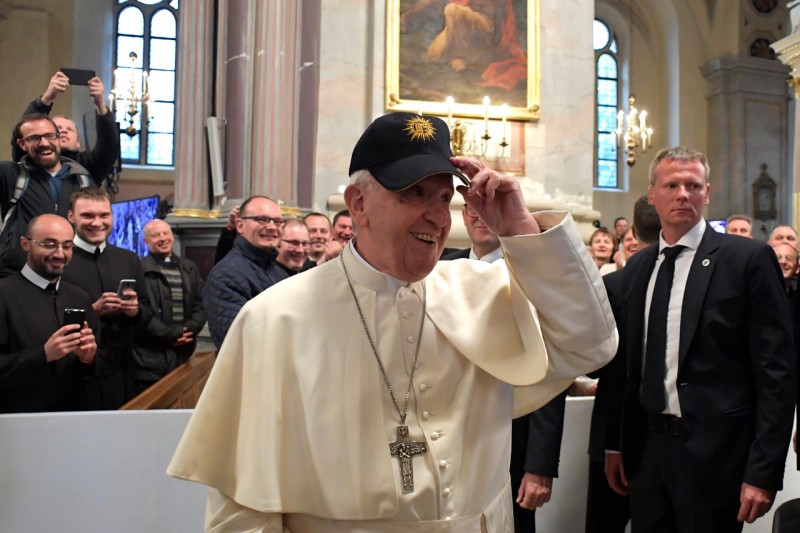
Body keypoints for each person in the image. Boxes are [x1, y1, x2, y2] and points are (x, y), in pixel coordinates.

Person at [168, 112, 617, 531]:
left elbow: (592, 344)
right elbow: (242, 509)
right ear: (358, 203)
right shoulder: (273, 319)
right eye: (414, 193)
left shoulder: (480, 290)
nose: (437, 216)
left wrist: (521, 230)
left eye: (444, 197)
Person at [604, 146, 795, 532]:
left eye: (693, 185)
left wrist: (764, 469)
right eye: (671, 185)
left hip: (716, 457)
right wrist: (615, 443)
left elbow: (776, 370)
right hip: (647, 452)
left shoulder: (747, 260)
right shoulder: (638, 268)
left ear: (706, 193)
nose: (683, 194)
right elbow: (624, 366)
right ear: (652, 194)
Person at [442, 203, 567, 532]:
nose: (481, 216)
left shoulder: (533, 276)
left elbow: (550, 372)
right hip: (448, 437)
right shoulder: (440, 269)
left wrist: (539, 464)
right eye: (473, 209)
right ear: (464, 214)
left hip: (512, 437)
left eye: (488, 207)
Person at [586, 195, 659, 533]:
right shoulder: (615, 284)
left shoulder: (613, 284)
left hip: (614, 431)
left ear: (634, 233)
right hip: (658, 436)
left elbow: (595, 363)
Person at [0, 214, 102, 412]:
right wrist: (43, 355)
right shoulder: (3, 294)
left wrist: (88, 358)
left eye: (67, 246)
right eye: (49, 244)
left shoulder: (80, 297)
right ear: (25, 244)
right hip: (18, 419)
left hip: (75, 416)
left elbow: (101, 362)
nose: (59, 254)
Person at [61, 188, 151, 408]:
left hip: (123, 372)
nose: (97, 222)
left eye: (104, 215)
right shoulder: (60, 259)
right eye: (88, 215)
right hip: (74, 374)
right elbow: (44, 317)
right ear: (71, 216)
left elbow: (148, 311)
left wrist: (135, 311)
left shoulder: (128, 259)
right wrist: (93, 312)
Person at [0, 114, 95, 278]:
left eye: (50, 136)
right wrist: (42, 102)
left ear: (58, 138)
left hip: (68, 275)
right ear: (22, 144)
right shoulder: (11, 174)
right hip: (16, 274)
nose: (44, 143)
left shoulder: (82, 179)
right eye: (34, 138)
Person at [129, 219, 206, 396]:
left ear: (172, 236)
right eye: (156, 235)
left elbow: (199, 304)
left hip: (184, 353)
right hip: (149, 359)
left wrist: (188, 330)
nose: (162, 238)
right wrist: (171, 334)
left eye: (165, 233)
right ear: (146, 242)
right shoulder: (139, 270)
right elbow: (140, 311)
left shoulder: (189, 267)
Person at [203, 196, 289, 349]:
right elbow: (240, 341)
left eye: (277, 221)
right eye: (262, 220)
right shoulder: (225, 276)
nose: (271, 227)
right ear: (240, 226)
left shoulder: (279, 272)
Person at [11, 71, 120, 186]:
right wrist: (47, 98)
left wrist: (100, 104)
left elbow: (109, 146)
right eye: (57, 129)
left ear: (78, 143)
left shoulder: (89, 165)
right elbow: (24, 131)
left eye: (69, 129)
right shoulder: (32, 159)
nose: (63, 131)